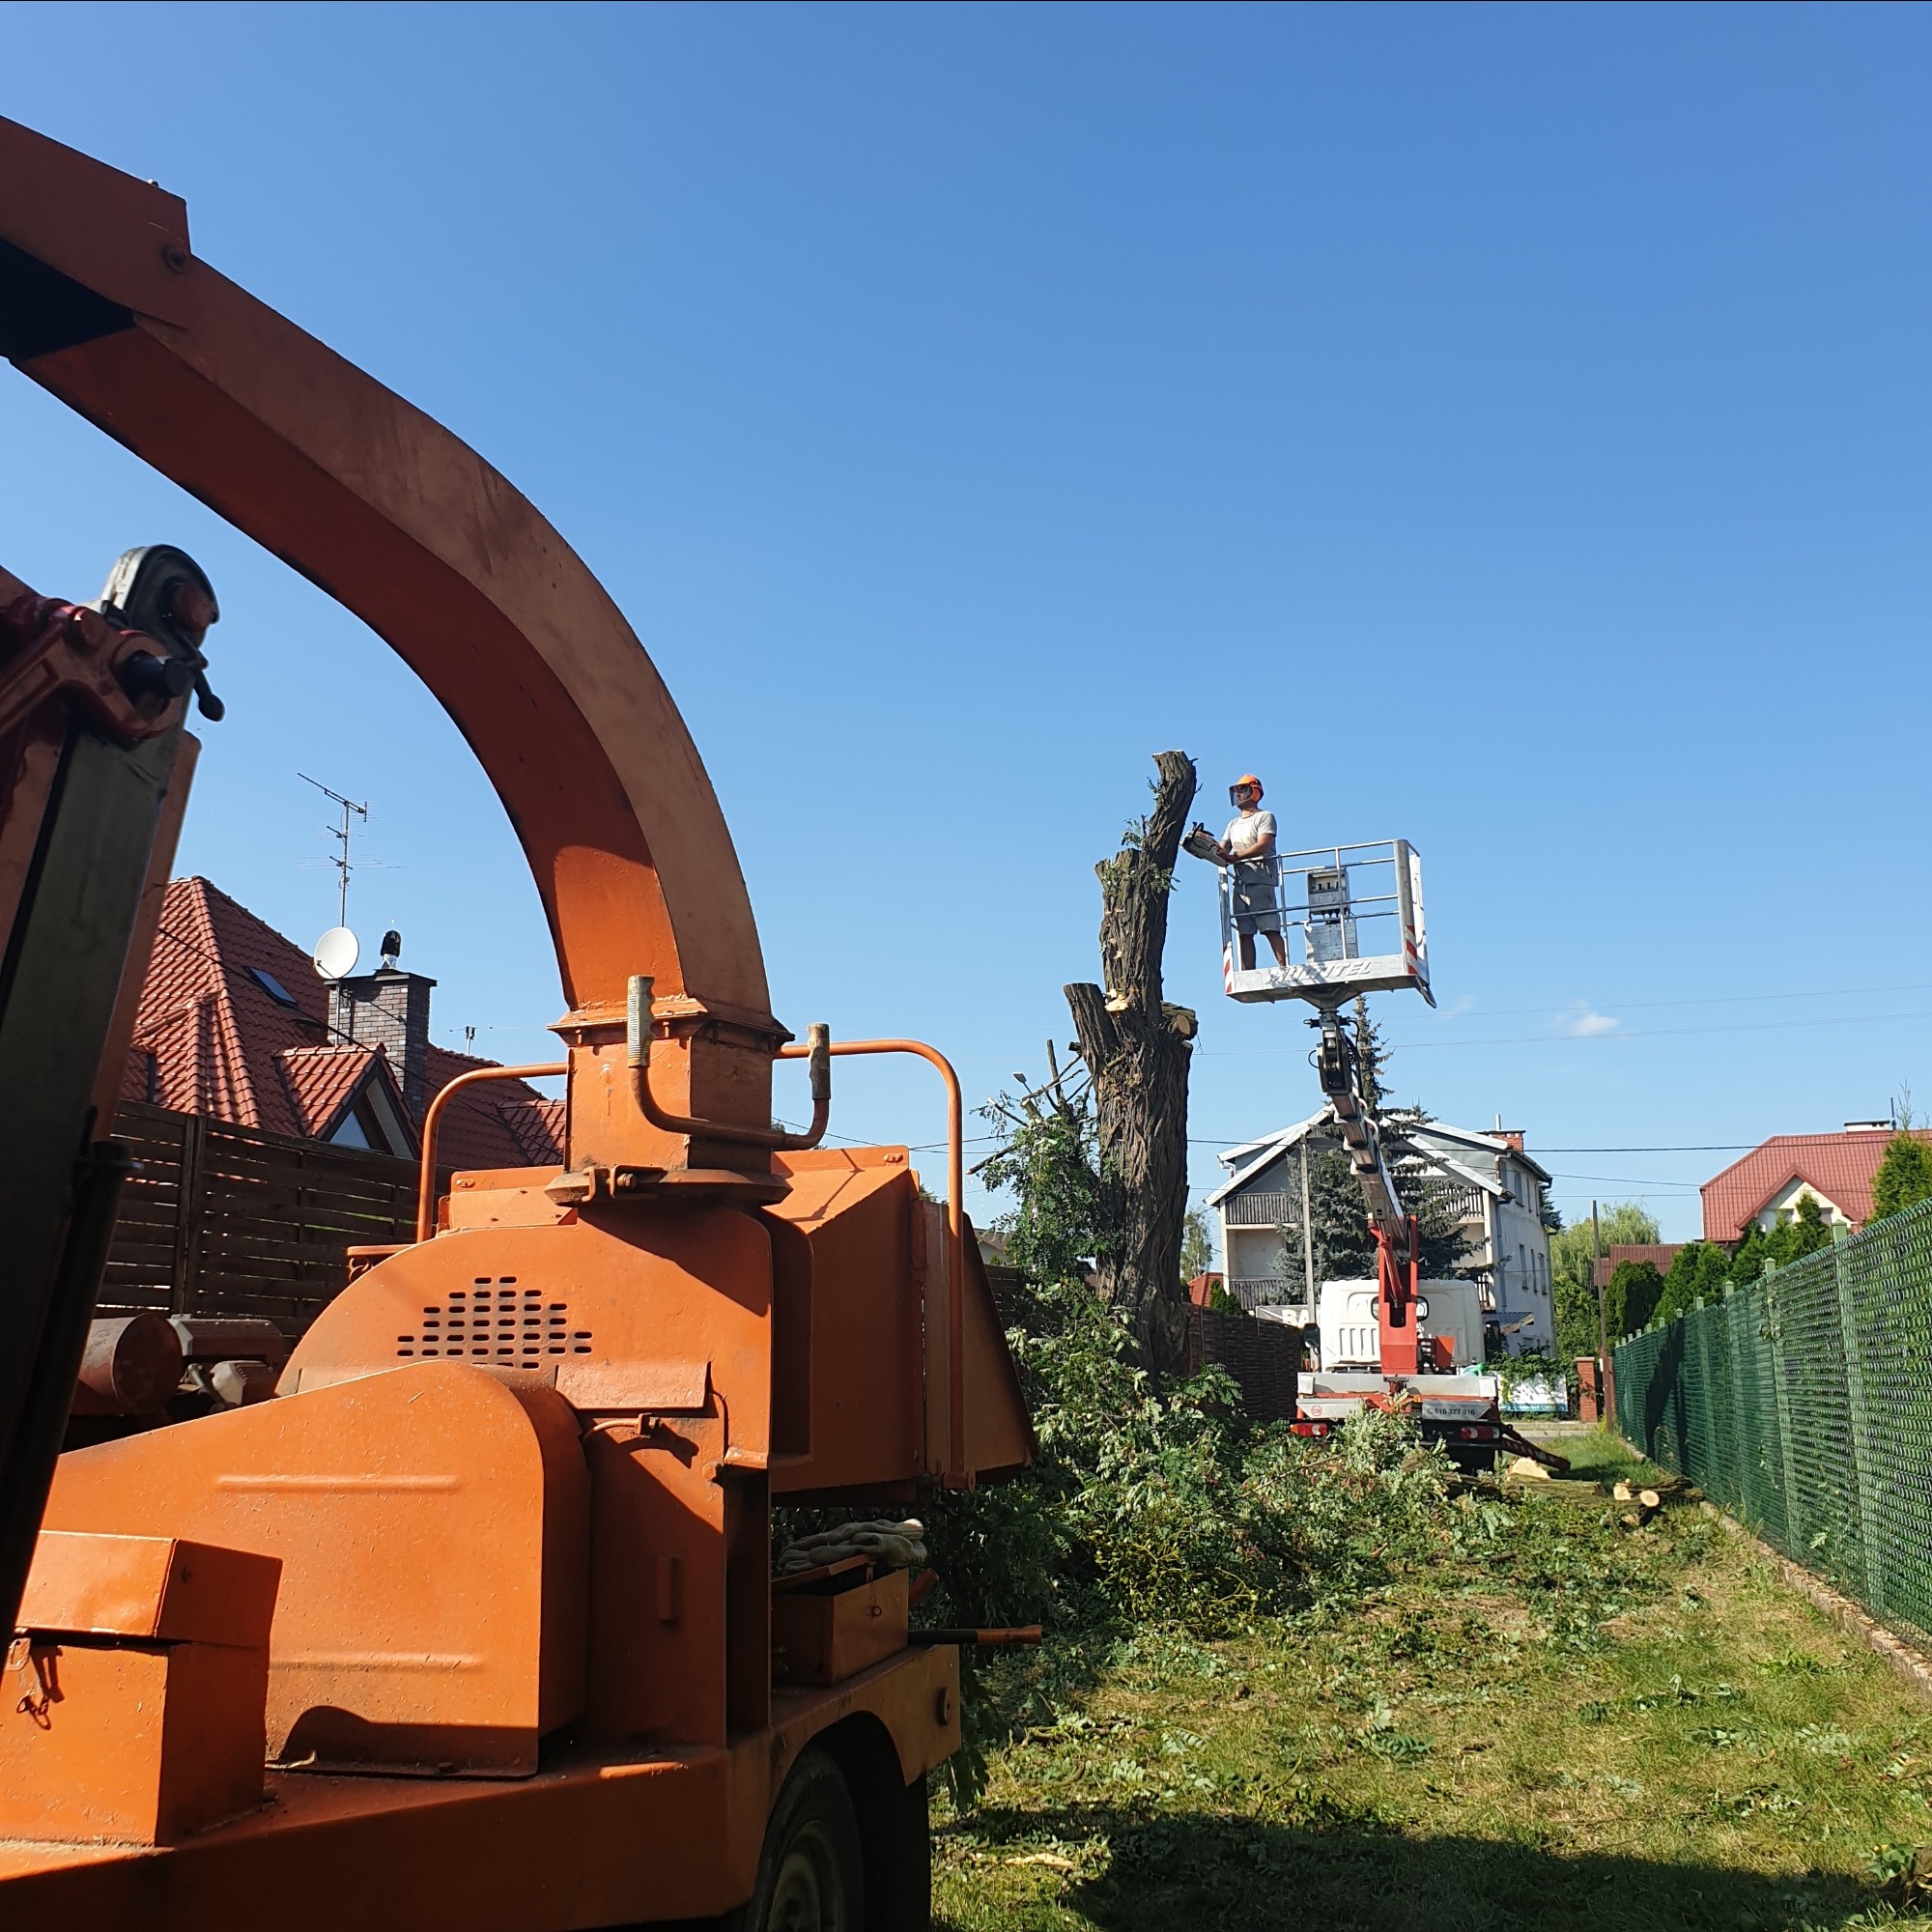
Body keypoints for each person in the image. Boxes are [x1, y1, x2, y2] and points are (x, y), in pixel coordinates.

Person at [1216, 774, 1288, 970]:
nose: (1238, 795)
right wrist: (1204, 844)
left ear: (1254, 792)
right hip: (1241, 883)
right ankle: (1249, 972)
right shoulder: (1232, 825)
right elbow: (1222, 850)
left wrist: (1236, 857)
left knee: (1269, 927)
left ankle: (1283, 966)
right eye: (1236, 791)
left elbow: (1263, 845)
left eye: (1242, 790)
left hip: (1261, 879)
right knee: (1244, 932)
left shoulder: (1264, 817)